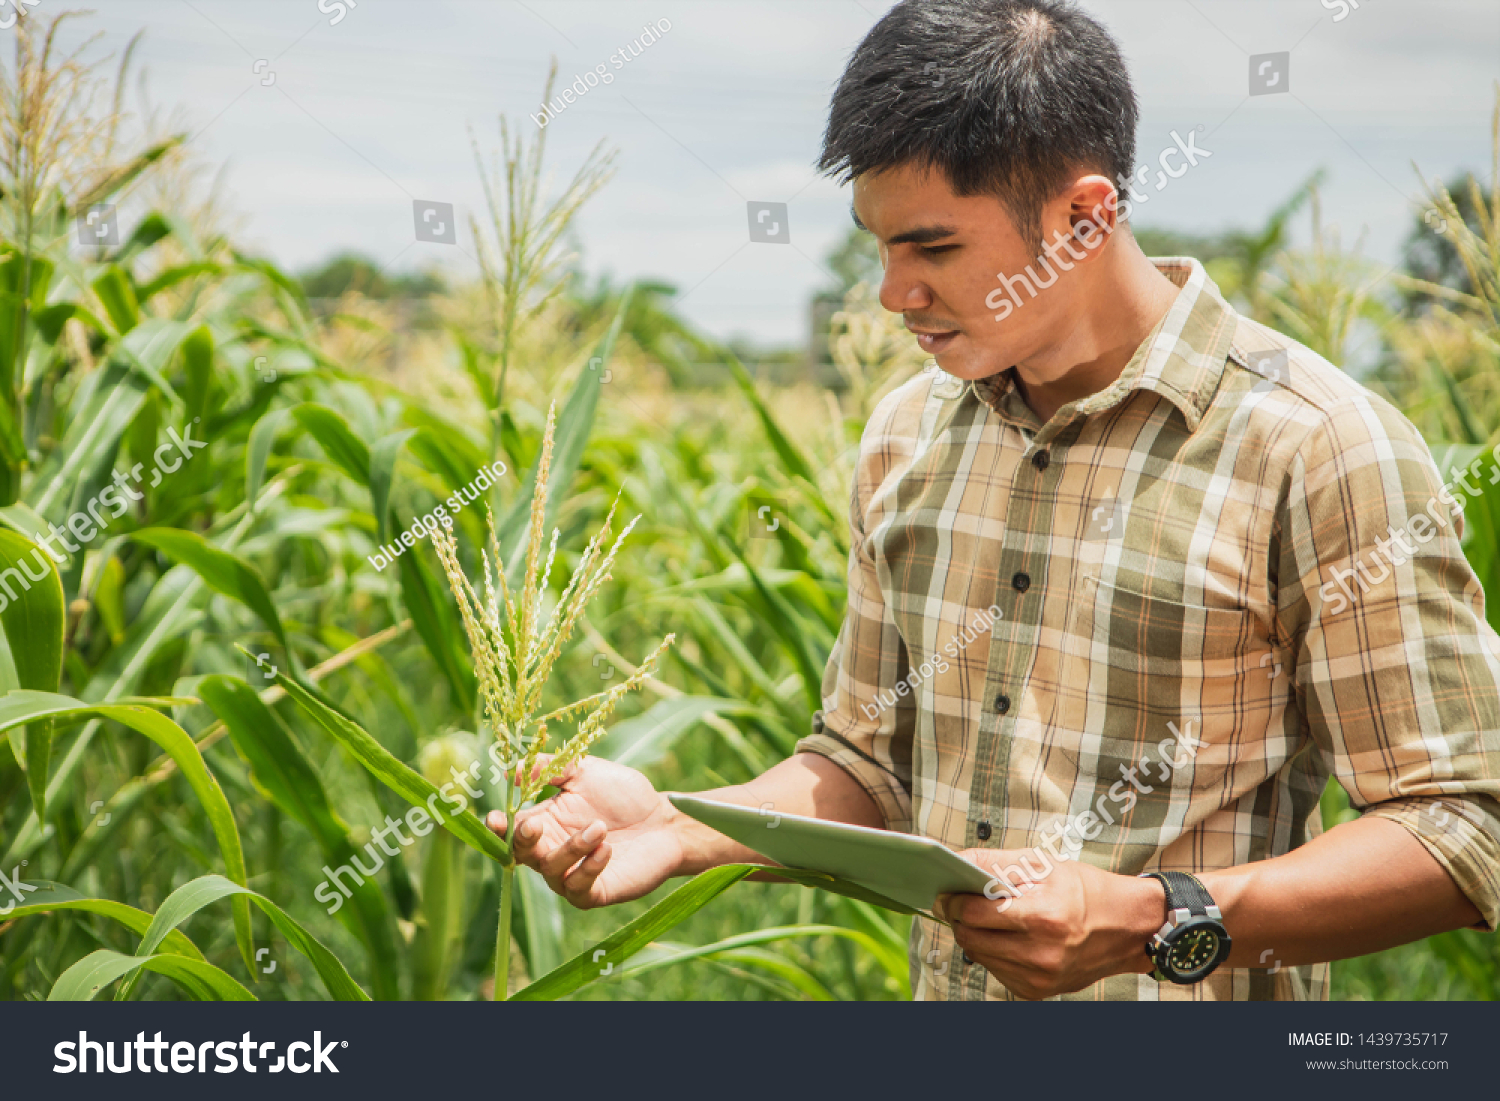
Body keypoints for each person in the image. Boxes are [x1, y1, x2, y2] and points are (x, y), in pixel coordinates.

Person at [488, 0, 1500, 1000]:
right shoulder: (907, 436)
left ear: (1084, 218)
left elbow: (1464, 828)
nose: (892, 293)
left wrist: (1151, 919)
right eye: (879, 247)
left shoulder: (1317, 448)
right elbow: (869, 764)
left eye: (932, 250)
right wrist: (679, 826)